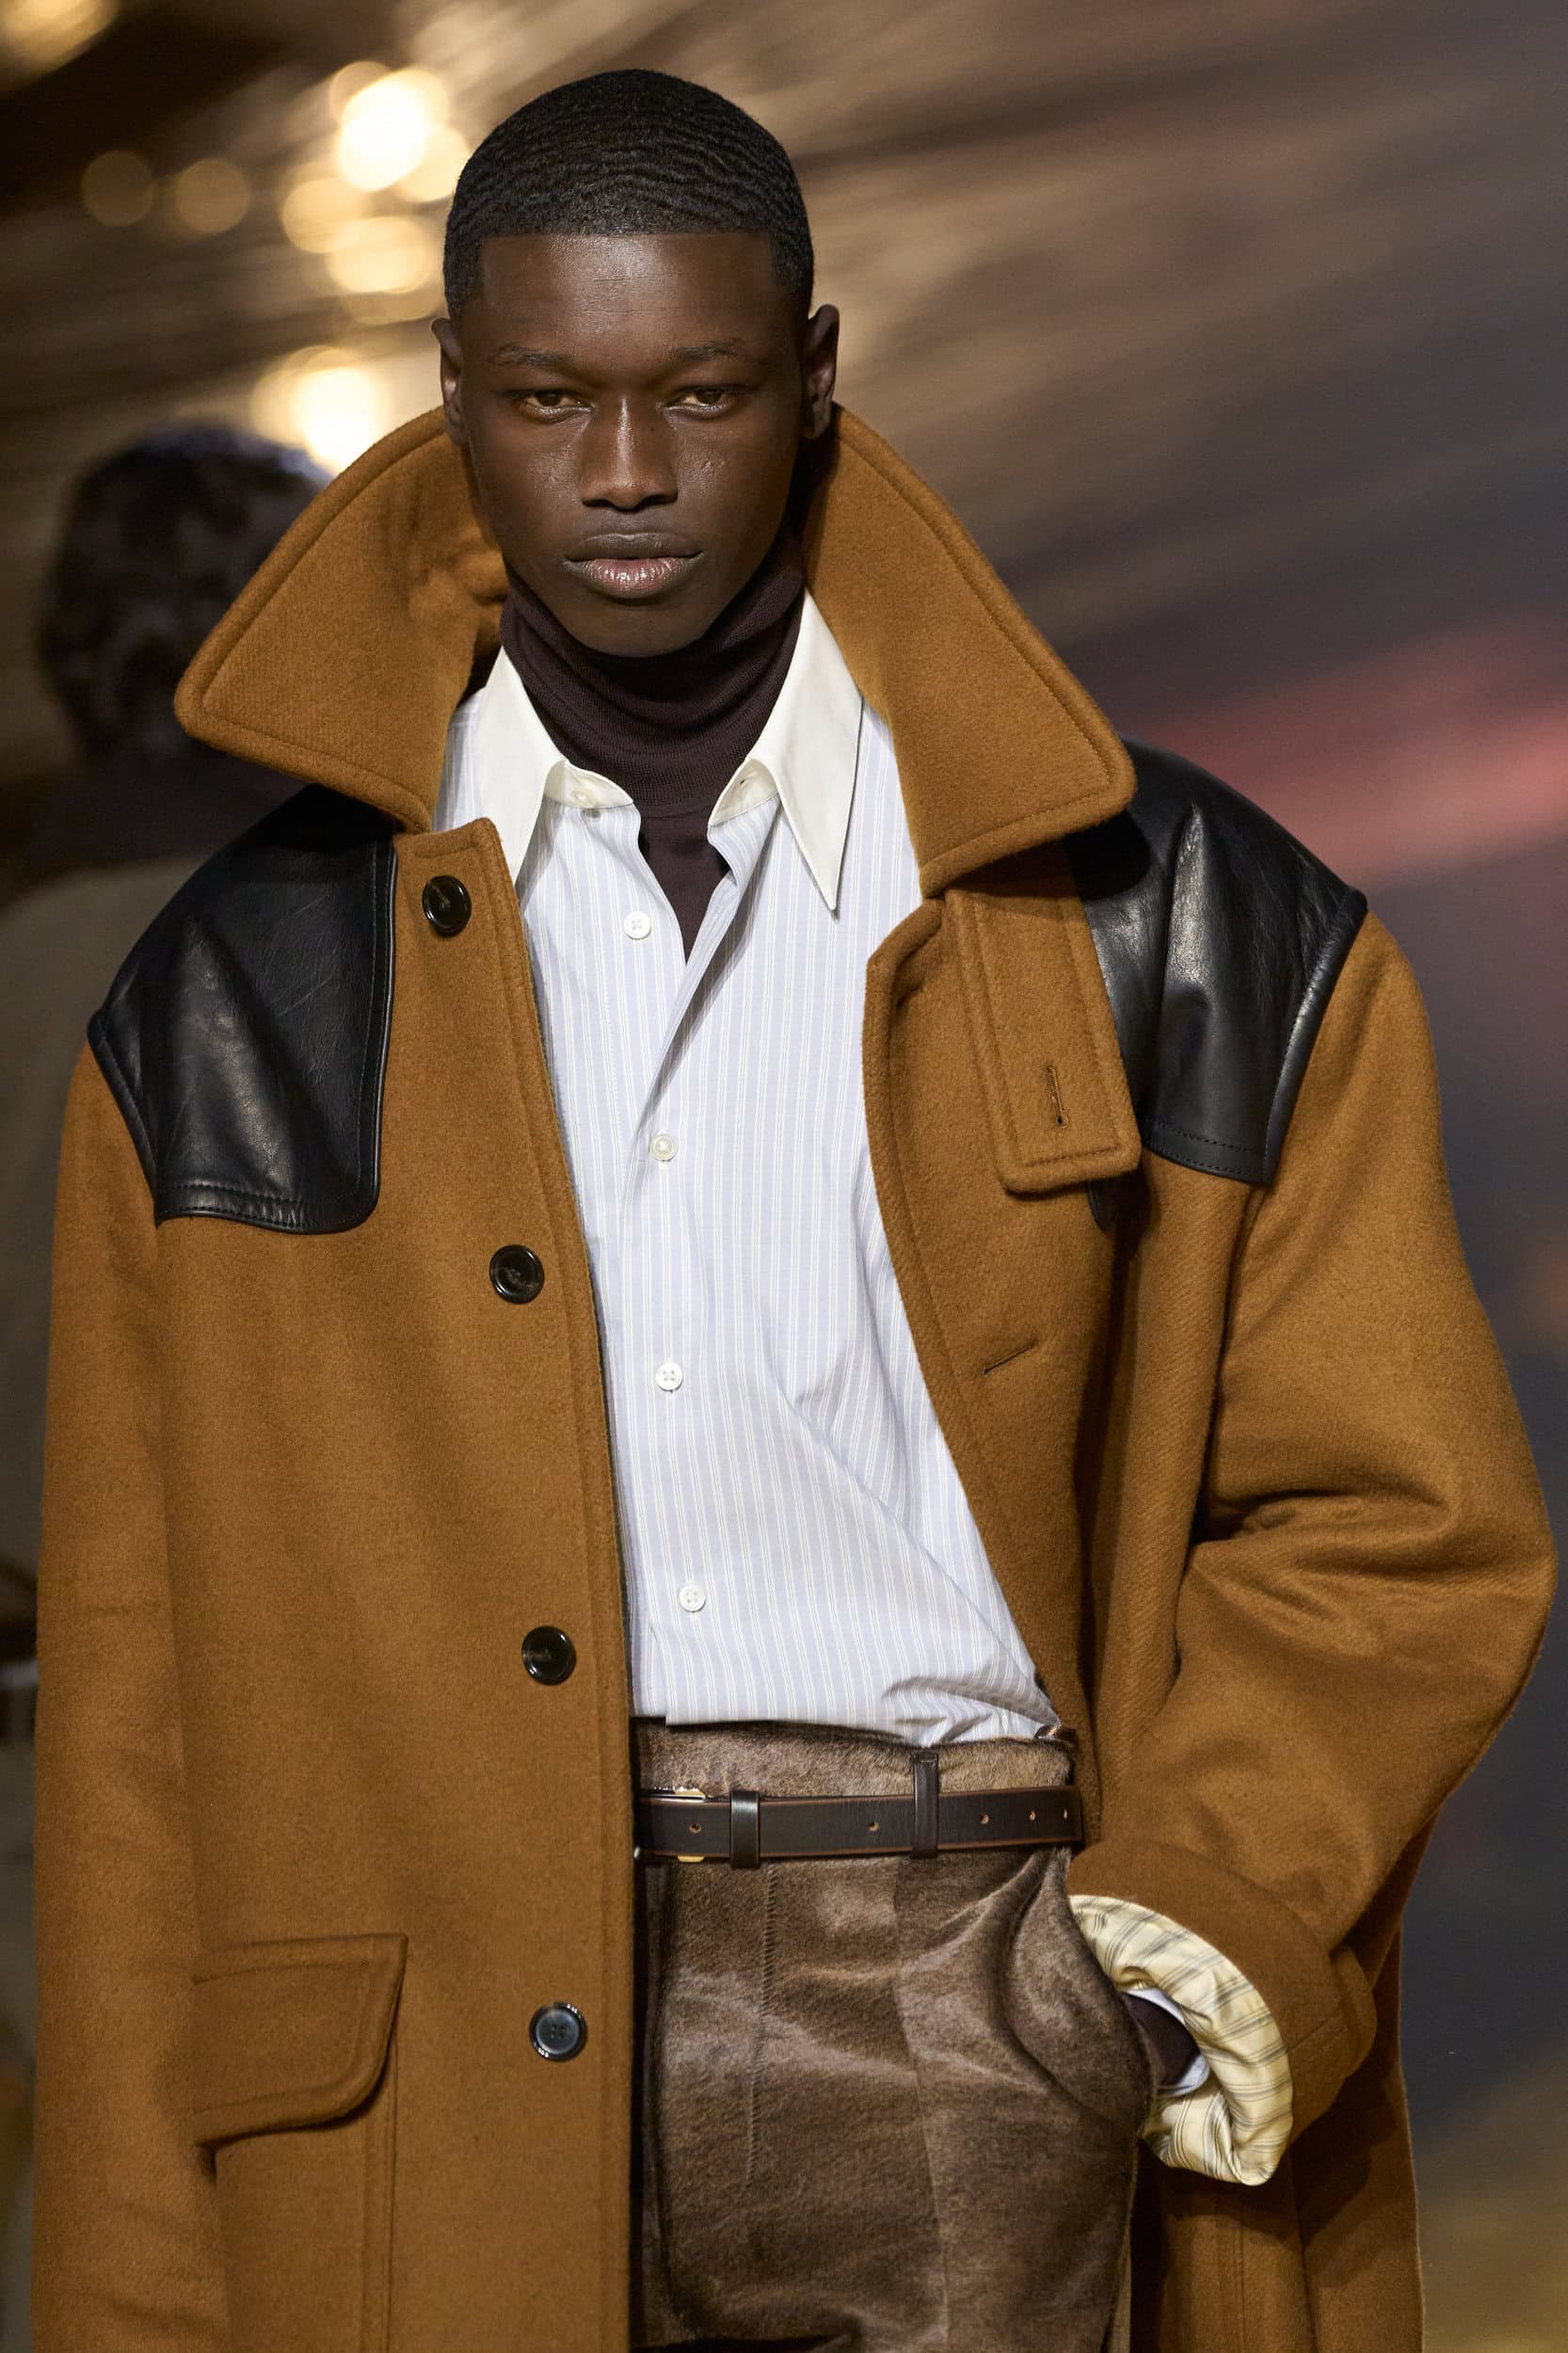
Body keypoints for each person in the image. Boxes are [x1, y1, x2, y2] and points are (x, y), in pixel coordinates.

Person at [31, 70, 1552, 2353]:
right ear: (450, 395)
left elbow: (1394, 1514)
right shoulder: (242, 994)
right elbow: (144, 1709)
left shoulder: (1177, 919)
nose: (623, 473)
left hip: (979, 1983)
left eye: (701, 392)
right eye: (547, 398)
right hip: (440, 2062)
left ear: (815, 375)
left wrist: (1145, 1965)